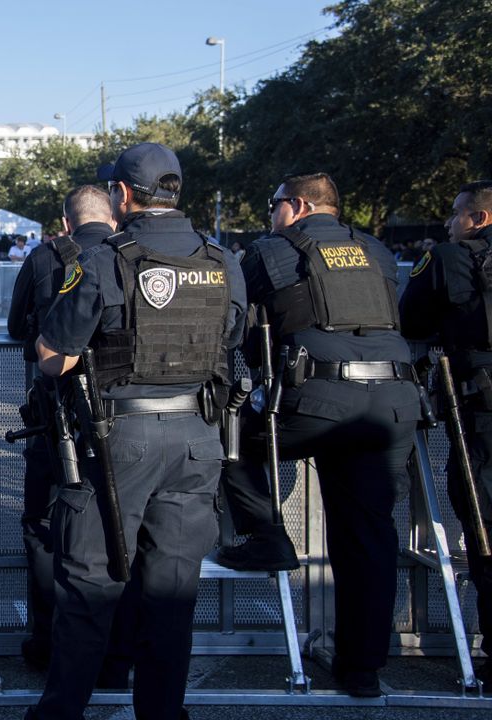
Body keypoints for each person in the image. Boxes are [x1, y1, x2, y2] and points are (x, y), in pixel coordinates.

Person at [30, 143, 245, 720]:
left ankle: (60, 714)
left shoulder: (104, 260)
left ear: (124, 196)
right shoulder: (222, 261)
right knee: (171, 596)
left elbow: (56, 354)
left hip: (119, 438)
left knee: (88, 588)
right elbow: (232, 343)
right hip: (198, 437)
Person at [219, 172, 418, 697]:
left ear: (298, 206)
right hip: (394, 403)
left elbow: (241, 328)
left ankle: (266, 538)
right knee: (368, 534)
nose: (270, 214)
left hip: (318, 400)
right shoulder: (373, 248)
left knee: (227, 435)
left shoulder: (272, 251)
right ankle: (362, 671)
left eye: (274, 204)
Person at [6, 184, 114, 671]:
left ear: (66, 223)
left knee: (46, 528)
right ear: (113, 217)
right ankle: (114, 653)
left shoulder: (46, 257)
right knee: (119, 529)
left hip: (57, 416)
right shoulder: (130, 256)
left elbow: (15, 327)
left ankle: (48, 646)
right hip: (122, 417)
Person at [398, 179, 492, 686]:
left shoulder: (453, 257)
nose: (449, 223)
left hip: (481, 412)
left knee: (482, 522)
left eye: (456, 214)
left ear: (477, 220)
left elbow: (410, 318)